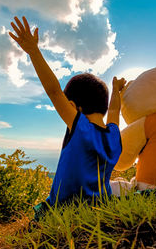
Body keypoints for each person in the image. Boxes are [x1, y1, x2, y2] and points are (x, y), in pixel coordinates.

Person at [9, 16, 124, 210]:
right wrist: (116, 89)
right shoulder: (113, 136)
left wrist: (33, 51)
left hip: (64, 211)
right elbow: (114, 110)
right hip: (101, 208)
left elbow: (53, 91)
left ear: (73, 105)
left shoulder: (81, 127)